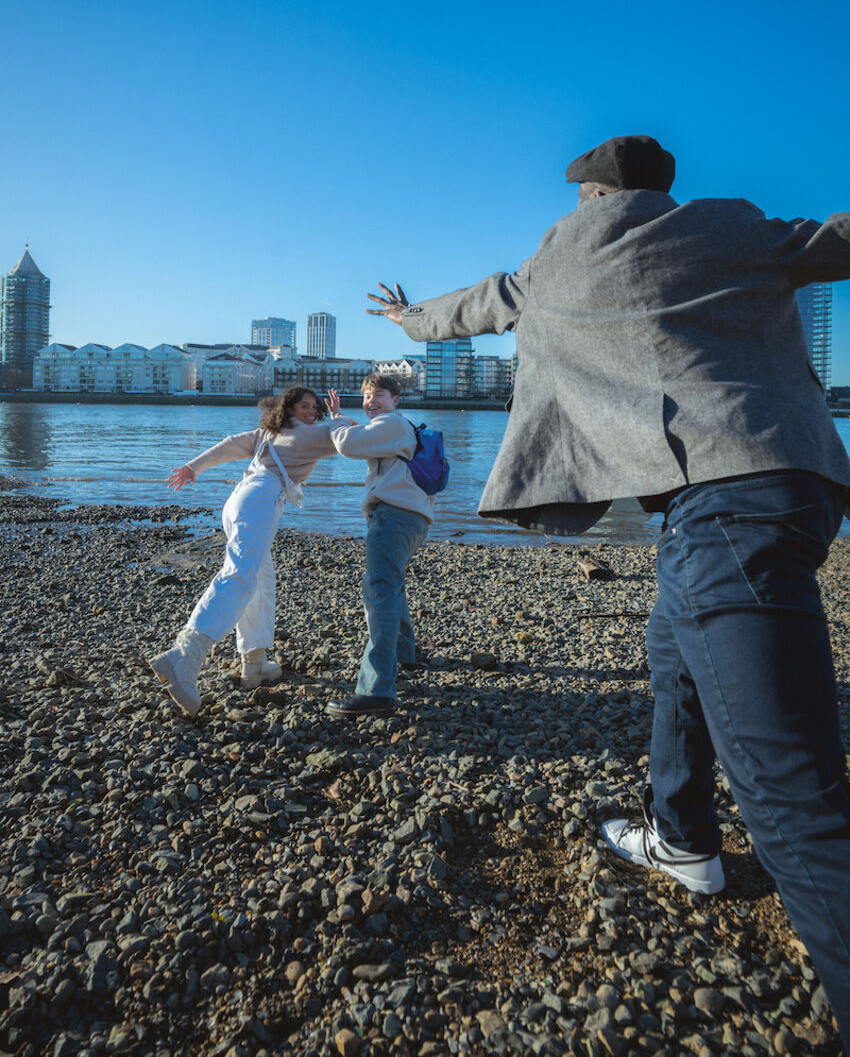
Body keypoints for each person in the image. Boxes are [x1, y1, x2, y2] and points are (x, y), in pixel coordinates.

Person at [366, 134, 850, 1046]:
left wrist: (406, 319)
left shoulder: (565, 253)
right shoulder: (735, 228)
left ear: (587, 196)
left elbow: (474, 306)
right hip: (798, 484)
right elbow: (836, 235)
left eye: (580, 195)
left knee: (793, 796)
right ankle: (685, 840)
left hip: (728, 508)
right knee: (672, 649)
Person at [151, 387, 350, 716]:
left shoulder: (269, 433)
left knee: (261, 578)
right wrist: (340, 417)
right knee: (240, 576)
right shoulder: (310, 436)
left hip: (238, 502)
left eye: (316, 407)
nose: (312, 411)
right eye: (304, 406)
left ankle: (254, 663)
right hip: (259, 501)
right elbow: (351, 440)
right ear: (288, 409)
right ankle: (185, 655)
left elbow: (230, 445)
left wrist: (193, 467)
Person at [324, 375, 433, 717]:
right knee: (392, 585)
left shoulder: (392, 423)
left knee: (380, 591)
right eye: (368, 396)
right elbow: (363, 441)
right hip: (410, 517)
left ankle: (377, 689)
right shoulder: (398, 427)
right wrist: (351, 423)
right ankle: (403, 656)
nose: (372, 400)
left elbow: (346, 445)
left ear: (395, 400)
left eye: (379, 395)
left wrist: (338, 420)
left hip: (394, 516)